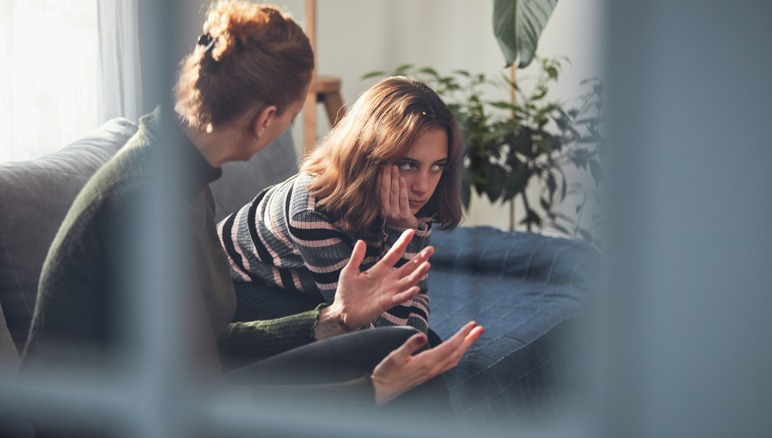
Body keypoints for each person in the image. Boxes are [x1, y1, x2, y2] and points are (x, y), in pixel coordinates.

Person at [20, 0, 482, 426]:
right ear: (266, 120)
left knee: (395, 346)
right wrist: (371, 390)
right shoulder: (146, 206)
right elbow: (202, 400)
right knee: (401, 378)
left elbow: (216, 343)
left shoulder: (178, 172)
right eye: (294, 114)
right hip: (109, 419)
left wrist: (333, 318)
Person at [218, 76, 464, 340]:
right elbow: (369, 332)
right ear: (369, 154)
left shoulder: (413, 200)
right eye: (408, 165)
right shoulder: (311, 210)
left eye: (437, 166)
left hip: (312, 290)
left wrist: (413, 341)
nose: (423, 186)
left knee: (425, 343)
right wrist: (400, 233)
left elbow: (413, 299)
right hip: (236, 288)